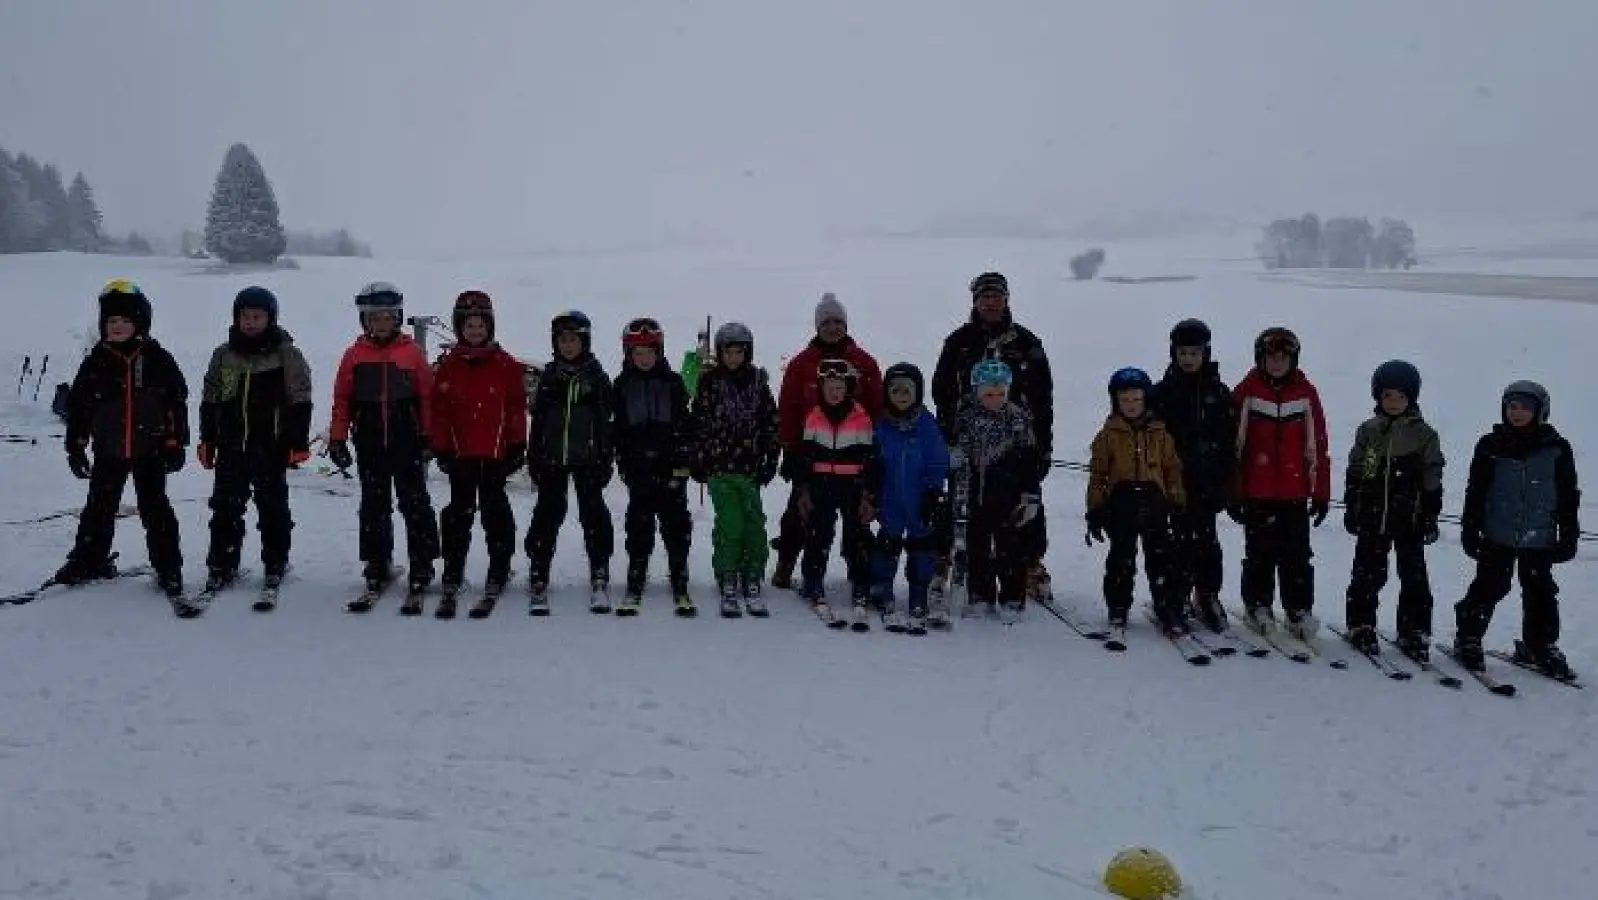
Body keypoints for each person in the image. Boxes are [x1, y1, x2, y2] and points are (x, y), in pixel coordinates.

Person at [55, 279, 189, 603]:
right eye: (111, 321)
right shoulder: (96, 361)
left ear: (139, 322)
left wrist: (175, 443)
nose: (116, 327)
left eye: (124, 321)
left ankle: (168, 567)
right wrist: (75, 446)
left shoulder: (157, 359)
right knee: (99, 508)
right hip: (109, 450)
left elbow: (176, 402)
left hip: (151, 450)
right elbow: (80, 409)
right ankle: (88, 560)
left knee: (155, 509)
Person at [930, 271, 1054, 601]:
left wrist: (1042, 446)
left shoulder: (1026, 343)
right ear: (975, 301)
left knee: (1024, 510)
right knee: (963, 507)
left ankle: (1030, 564)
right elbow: (941, 391)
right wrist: (948, 435)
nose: (990, 302)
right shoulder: (959, 342)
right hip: (968, 440)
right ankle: (951, 561)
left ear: (1006, 299)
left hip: (1016, 443)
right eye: (984, 297)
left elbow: (1043, 400)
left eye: (996, 296)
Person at [1453, 381, 1580, 679]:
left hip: (1539, 537)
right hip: (1497, 534)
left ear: (1540, 411)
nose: (1517, 413)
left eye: (1525, 407)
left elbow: (1568, 495)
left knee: (1540, 592)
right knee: (1488, 587)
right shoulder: (1490, 445)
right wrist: (1470, 527)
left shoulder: (1557, 449)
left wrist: (1569, 533)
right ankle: (1468, 637)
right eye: (1512, 406)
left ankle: (1541, 645)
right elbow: (1476, 491)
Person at [326, 281, 442, 605]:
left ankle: (422, 565)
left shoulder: (412, 353)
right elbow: (342, 399)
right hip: (370, 442)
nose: (382, 324)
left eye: (388, 317)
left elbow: (426, 397)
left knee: (415, 504)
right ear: (365, 321)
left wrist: (429, 436)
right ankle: (377, 565)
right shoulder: (354, 356)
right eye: (375, 318)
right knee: (374, 507)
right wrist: (337, 438)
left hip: (407, 442)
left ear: (397, 318)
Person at [196, 286, 313, 597]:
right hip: (231, 447)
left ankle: (275, 563)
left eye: (257, 317)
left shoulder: (286, 354)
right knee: (225, 509)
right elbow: (210, 399)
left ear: (270, 319)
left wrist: (297, 441)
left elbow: (300, 399)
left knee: (273, 509)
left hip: (270, 448)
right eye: (244, 316)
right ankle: (222, 565)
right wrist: (207, 439)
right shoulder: (223, 355)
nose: (250, 322)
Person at [771, 293, 883, 588]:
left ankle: (860, 573)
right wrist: (790, 449)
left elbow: (877, 407)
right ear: (817, 326)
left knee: (855, 521)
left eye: (838, 322)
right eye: (827, 322)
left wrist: (875, 451)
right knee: (800, 513)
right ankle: (786, 564)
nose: (833, 327)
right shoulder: (801, 364)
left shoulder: (864, 362)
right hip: (813, 453)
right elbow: (788, 407)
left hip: (852, 459)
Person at [429, 290, 527, 619]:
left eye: (480, 324)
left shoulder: (506, 364)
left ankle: (499, 567)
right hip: (461, 454)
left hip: (494, 454)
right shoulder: (449, 365)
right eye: (468, 325)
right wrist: (440, 446)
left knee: (495, 514)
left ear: (490, 327)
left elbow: (516, 408)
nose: (475, 330)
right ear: (459, 328)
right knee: (458, 516)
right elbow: (439, 410)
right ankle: (453, 569)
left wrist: (516, 445)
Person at [1230, 327, 1331, 640]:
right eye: (1270, 357)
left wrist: (1321, 492)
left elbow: (1318, 446)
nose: (1276, 363)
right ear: (1260, 359)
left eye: (1282, 358)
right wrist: (1234, 491)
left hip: (1293, 494)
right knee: (1259, 554)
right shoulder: (1247, 392)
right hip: (1257, 493)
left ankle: (1298, 609)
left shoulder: (1305, 394)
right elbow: (1234, 446)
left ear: (1293, 359)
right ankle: (1258, 605)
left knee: (1297, 556)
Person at [1341, 360, 1443, 660]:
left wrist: (1429, 514)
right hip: (1374, 518)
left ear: (1412, 398)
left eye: (1401, 397)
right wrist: (1354, 506)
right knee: (1367, 574)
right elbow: (1359, 469)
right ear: (1378, 397)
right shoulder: (1370, 431)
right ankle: (1361, 624)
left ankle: (1413, 630)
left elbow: (1432, 476)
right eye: (1388, 396)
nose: (1394, 403)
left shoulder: (1424, 435)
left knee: (1414, 577)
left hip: (1409, 518)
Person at [524, 310, 615, 614]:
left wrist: (605, 456)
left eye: (573, 340)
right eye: (562, 340)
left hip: (587, 458)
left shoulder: (597, 378)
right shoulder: (549, 377)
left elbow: (605, 424)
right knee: (547, 514)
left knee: (593, 515)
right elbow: (537, 422)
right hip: (552, 458)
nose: (567, 346)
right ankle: (539, 569)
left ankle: (599, 569)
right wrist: (534, 455)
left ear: (584, 341)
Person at [1086, 367, 1188, 632]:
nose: (1130, 406)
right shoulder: (1107, 435)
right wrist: (1095, 509)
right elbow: (1098, 475)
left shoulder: (1161, 434)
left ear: (1146, 400)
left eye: (1136, 400)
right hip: (1121, 505)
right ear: (1115, 401)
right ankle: (1118, 606)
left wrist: (1177, 502)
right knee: (1121, 558)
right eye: (1125, 400)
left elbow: (1172, 470)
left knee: (1161, 559)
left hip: (1155, 503)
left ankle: (1168, 606)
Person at [691, 322, 780, 617]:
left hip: (749, 468)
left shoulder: (757, 382)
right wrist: (699, 458)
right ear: (720, 353)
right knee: (731, 524)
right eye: (727, 352)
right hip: (720, 468)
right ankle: (728, 574)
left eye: (738, 351)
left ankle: (752, 574)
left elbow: (770, 423)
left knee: (754, 522)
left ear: (747, 352)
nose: (733, 358)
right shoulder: (710, 383)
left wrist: (770, 457)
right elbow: (700, 424)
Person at [1151, 318, 1234, 630]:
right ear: (1173, 353)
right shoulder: (1161, 393)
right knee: (1176, 544)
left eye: (1194, 353)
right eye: (1182, 352)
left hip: (1206, 483)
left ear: (1206, 353)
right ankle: (1177, 595)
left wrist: (1224, 481)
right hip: (1172, 484)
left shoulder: (1218, 392)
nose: (1188, 359)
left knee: (1208, 542)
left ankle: (1207, 593)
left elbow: (1228, 442)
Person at [611, 317, 695, 616]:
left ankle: (679, 574)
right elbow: (618, 428)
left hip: (670, 467)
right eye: (638, 353)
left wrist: (684, 456)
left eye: (649, 352)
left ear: (659, 352)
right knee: (639, 524)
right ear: (628, 354)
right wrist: (622, 459)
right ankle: (637, 572)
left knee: (675, 524)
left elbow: (685, 422)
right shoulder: (621, 385)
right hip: (639, 469)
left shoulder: (672, 382)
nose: (644, 358)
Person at [951, 358, 1044, 622]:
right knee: (977, 547)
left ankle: (1013, 598)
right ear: (977, 392)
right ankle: (980, 596)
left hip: (1010, 500)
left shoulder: (1018, 419)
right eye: (988, 394)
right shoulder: (967, 418)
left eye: (1000, 393)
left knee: (1011, 550)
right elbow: (959, 454)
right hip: (975, 497)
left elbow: (1029, 462)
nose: (995, 398)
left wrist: (1031, 494)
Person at [789, 359, 878, 627]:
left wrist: (868, 494)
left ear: (848, 388)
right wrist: (803, 488)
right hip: (822, 484)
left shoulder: (861, 418)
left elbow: (870, 459)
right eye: (829, 386)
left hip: (852, 486)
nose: (834, 392)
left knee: (858, 535)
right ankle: (813, 580)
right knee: (818, 533)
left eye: (840, 387)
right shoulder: (814, 417)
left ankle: (861, 581)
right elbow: (804, 457)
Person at [868, 362, 950, 633]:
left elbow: (938, 460)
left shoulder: (926, 425)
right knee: (887, 544)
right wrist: (872, 487)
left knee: (922, 546)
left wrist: (934, 490)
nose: (901, 396)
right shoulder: (881, 426)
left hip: (919, 500)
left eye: (907, 391)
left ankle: (918, 591)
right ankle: (882, 587)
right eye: (895, 391)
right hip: (890, 498)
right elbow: (872, 460)